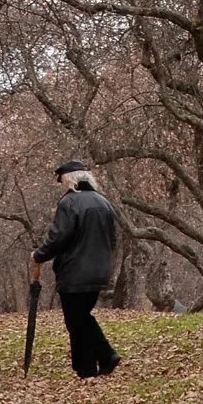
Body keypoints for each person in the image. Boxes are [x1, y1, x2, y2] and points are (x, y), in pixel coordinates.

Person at [32, 159, 121, 378]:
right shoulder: (104, 202)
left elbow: (58, 237)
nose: (61, 185)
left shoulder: (70, 203)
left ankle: (104, 355)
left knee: (77, 319)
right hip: (99, 270)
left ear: (70, 180)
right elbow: (113, 238)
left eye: (61, 180)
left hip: (75, 272)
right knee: (81, 317)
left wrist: (39, 255)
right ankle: (87, 367)